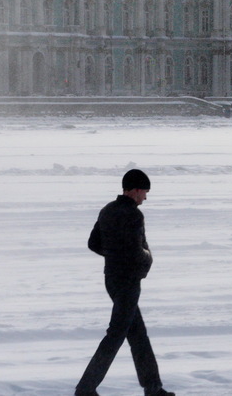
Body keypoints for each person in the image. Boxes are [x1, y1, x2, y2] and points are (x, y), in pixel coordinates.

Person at [76, 169, 175, 396]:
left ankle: (153, 388)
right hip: (128, 281)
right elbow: (135, 251)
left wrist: (113, 255)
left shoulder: (107, 210)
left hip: (112, 279)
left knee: (138, 335)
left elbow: (93, 243)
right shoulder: (133, 215)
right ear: (136, 190)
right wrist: (147, 259)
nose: (146, 198)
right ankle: (85, 389)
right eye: (145, 192)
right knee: (116, 335)